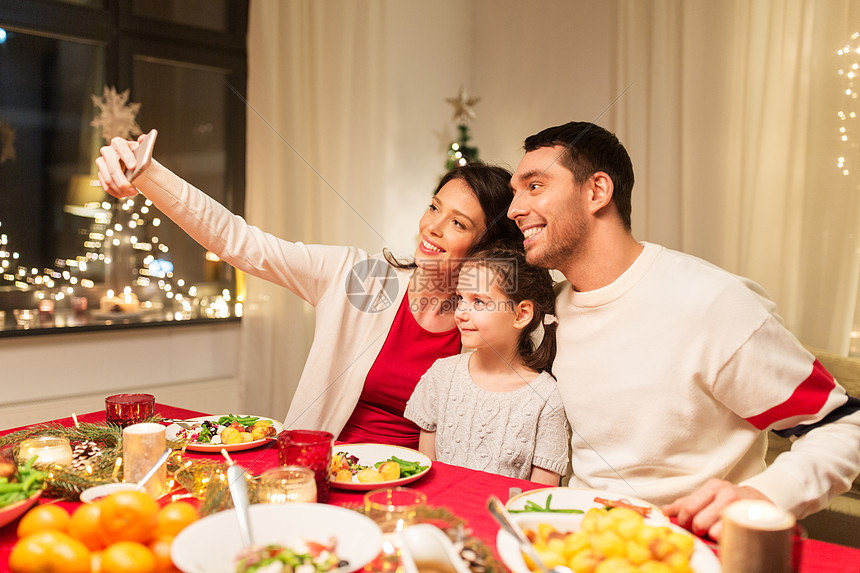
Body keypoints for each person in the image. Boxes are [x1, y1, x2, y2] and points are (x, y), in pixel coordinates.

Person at [507, 121, 860, 537]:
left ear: (597, 192)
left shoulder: (714, 303)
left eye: (534, 187)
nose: (514, 209)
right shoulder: (546, 312)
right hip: (576, 543)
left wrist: (768, 494)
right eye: (515, 192)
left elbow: (842, 425)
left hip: (695, 548)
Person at [95, 135, 522, 449]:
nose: (432, 227)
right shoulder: (357, 275)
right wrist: (148, 174)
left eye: (458, 223)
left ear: (487, 245)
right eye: (434, 207)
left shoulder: (496, 322)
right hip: (325, 467)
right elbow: (238, 241)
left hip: (426, 482)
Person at [404, 244, 569, 485]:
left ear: (521, 314)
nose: (460, 312)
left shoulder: (546, 398)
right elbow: (424, 473)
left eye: (478, 301)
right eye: (460, 298)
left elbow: (539, 496)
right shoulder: (441, 375)